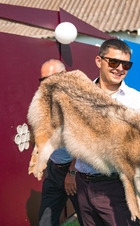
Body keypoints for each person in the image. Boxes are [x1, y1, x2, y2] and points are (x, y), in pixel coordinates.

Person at [75, 39, 140, 226]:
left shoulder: (138, 101)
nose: (120, 68)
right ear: (98, 61)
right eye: (113, 62)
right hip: (83, 185)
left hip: (118, 186)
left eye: (126, 64)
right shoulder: (79, 95)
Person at [38, 59, 82, 226]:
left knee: (89, 220)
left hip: (77, 173)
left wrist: (71, 173)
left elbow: (83, 143)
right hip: (55, 170)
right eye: (43, 80)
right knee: (46, 221)